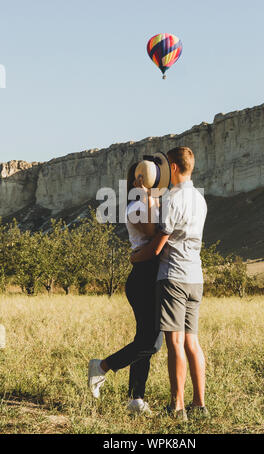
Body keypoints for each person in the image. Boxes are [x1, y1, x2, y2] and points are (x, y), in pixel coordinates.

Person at [131, 146, 208, 421]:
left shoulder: (173, 200)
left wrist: (134, 256)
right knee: (192, 343)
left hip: (173, 276)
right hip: (195, 277)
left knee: (174, 343)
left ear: (173, 167)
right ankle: (200, 404)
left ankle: (178, 406)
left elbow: (156, 247)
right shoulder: (201, 199)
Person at [88, 163, 163, 415]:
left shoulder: (148, 203)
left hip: (150, 275)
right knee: (152, 342)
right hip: (143, 277)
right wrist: (149, 198)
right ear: (137, 181)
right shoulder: (137, 207)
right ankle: (103, 366)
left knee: (146, 339)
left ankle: (136, 399)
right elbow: (154, 233)